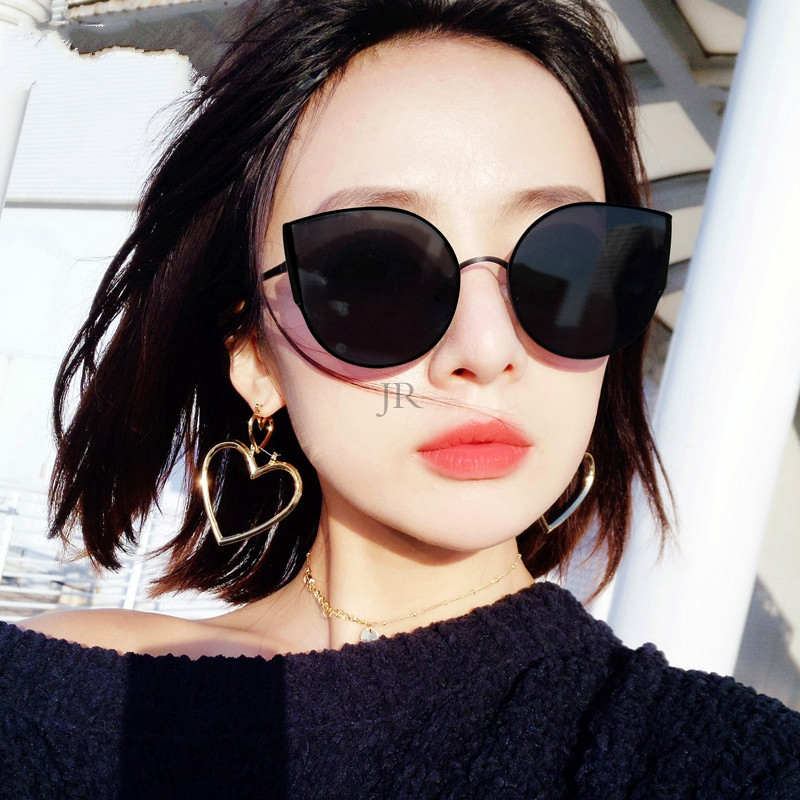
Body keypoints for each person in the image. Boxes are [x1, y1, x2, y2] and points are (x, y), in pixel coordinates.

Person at [1, 0, 798, 797]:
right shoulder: (52, 711)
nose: (485, 349)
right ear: (255, 357)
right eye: (377, 271)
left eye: (564, 264)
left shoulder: (714, 761)